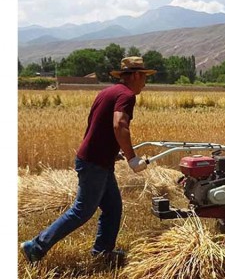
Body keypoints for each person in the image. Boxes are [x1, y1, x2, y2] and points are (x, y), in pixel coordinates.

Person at [20, 56, 156, 263]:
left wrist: (112, 152)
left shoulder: (107, 92)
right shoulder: (127, 95)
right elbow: (119, 125)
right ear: (136, 75)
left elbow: (97, 126)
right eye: (144, 77)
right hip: (95, 164)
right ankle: (35, 246)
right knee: (81, 211)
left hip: (97, 160)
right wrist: (131, 158)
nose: (145, 83)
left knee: (113, 208)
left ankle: (102, 253)